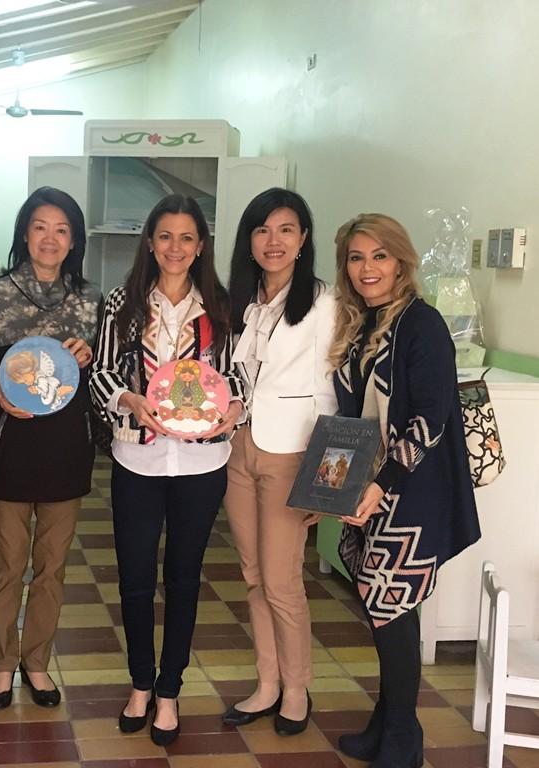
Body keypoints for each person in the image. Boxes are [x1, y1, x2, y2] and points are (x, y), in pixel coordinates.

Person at [90, 194, 245, 746]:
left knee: (183, 579)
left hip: (203, 461)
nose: (175, 248)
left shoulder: (223, 307)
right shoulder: (121, 304)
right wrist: (131, 399)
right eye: (164, 237)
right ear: (149, 242)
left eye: (186, 238)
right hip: (137, 457)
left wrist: (232, 412)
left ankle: (170, 689)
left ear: (200, 245)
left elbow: (240, 377)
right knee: (134, 581)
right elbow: (102, 374)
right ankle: (139, 684)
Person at [329, 213, 480, 767]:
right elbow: (349, 416)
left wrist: (383, 484)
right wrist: (337, 487)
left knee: (391, 608)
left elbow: (432, 417)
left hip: (410, 490)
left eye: (379, 256)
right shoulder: (360, 323)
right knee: (383, 607)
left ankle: (403, 741)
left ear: (401, 261)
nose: (367, 268)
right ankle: (388, 724)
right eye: (355, 257)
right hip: (369, 486)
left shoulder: (423, 322)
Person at [0, 187, 101, 710]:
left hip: (66, 450)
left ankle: (36, 663)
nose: (50, 238)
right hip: (9, 448)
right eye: (41, 226)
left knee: (52, 568)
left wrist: (88, 354)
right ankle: (1, 664)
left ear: (73, 240)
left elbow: (104, 374)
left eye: (62, 230)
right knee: (7, 565)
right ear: (25, 232)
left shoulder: (91, 300)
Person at [220, 188, 337, 735]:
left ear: (303, 240)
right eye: (263, 230)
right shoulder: (244, 299)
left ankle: (296, 687)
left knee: (281, 579)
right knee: (251, 574)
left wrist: (326, 483)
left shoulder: (324, 302)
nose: (274, 241)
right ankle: (266, 682)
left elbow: (333, 394)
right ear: (250, 239)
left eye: (286, 229)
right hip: (239, 447)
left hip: (292, 452)